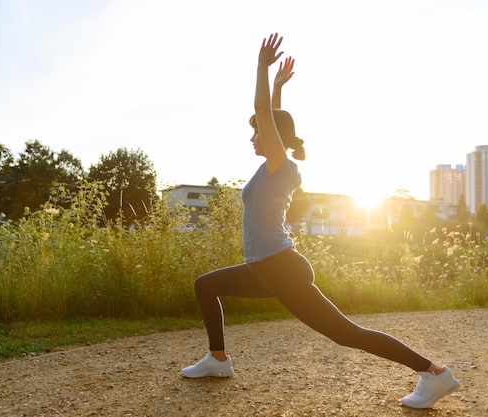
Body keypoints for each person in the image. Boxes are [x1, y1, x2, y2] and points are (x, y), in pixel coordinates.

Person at [180, 33, 460, 409]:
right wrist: (279, 87)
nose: (252, 137)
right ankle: (218, 359)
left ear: (270, 136)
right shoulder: (270, 168)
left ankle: (435, 372)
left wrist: (262, 69)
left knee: (347, 334)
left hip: (280, 269)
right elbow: (273, 119)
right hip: (263, 268)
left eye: (255, 132)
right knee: (205, 286)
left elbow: (266, 116)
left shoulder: (281, 167)